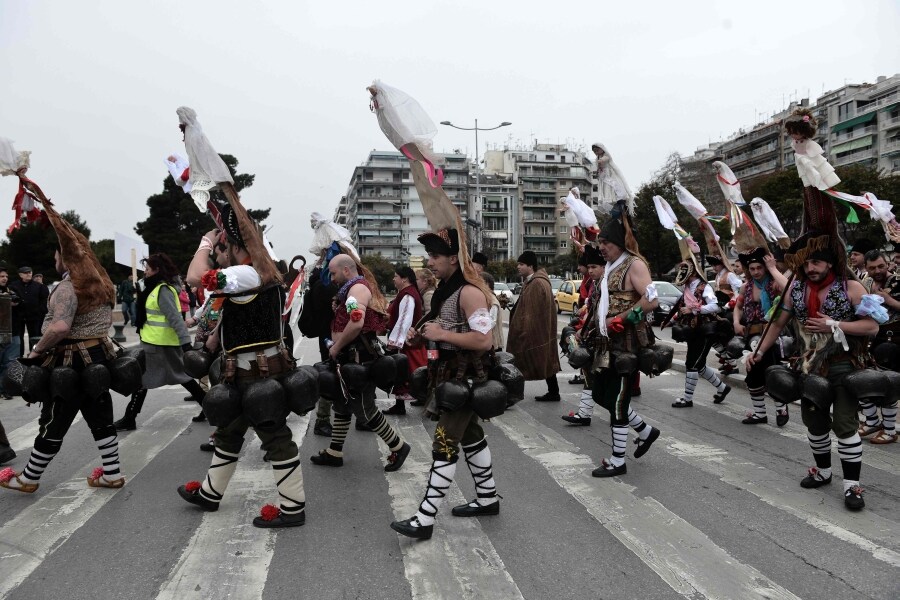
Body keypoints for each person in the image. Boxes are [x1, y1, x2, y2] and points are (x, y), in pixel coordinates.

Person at [178, 209, 306, 528]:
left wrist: (205, 243)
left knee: (275, 436)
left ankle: (293, 507)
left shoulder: (248, 275)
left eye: (227, 245)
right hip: (245, 373)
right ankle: (210, 493)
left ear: (237, 247)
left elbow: (195, 277)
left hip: (257, 374)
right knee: (229, 432)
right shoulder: (256, 272)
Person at [1, 189, 123, 494]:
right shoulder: (103, 282)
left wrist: (37, 349)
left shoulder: (70, 287)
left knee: (55, 417)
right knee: (100, 415)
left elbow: (59, 327)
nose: (55, 259)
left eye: (58, 255)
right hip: (98, 357)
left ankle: (29, 477)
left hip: (71, 361)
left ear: (65, 258)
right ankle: (112, 472)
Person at [747, 240, 876, 510]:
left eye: (816, 262)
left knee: (844, 425)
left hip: (844, 365)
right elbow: (777, 323)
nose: (810, 268)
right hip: (809, 367)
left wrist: (835, 325)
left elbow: (872, 326)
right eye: (806, 263)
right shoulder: (796, 290)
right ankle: (824, 472)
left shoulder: (851, 287)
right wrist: (758, 352)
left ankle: (852, 486)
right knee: (814, 423)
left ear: (830, 262)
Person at [390, 227, 501, 540]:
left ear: (454, 258)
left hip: (465, 376)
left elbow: (483, 339)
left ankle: (424, 519)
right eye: (430, 255)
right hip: (449, 374)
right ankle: (488, 498)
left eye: (436, 256)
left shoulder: (469, 292)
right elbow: (443, 325)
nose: (430, 262)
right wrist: (423, 332)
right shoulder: (446, 290)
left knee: (444, 442)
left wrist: (442, 335)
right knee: (471, 434)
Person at [309, 254, 411, 471]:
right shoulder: (349, 289)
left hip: (360, 359)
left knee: (365, 409)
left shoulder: (358, 289)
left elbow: (356, 324)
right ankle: (335, 452)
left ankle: (398, 446)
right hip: (349, 357)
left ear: (346, 270)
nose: (332, 278)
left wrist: (335, 347)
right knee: (342, 404)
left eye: (334, 273)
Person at [586, 216, 661, 477]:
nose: (601, 247)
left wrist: (623, 318)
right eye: (600, 242)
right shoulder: (610, 266)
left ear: (619, 242)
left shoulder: (634, 264)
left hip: (627, 343)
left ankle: (618, 460)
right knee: (599, 395)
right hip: (606, 341)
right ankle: (644, 431)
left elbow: (652, 301)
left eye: (605, 242)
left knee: (618, 400)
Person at [113, 253, 207, 430]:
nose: (145, 273)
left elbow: (175, 318)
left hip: (161, 344)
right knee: (174, 377)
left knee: (148, 379)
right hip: (155, 342)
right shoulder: (154, 288)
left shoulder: (163, 290)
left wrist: (186, 344)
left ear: (156, 270)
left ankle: (129, 418)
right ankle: (209, 408)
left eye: (147, 269)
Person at [666, 260, 732, 408]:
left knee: (692, 363)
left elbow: (715, 306)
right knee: (699, 364)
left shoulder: (704, 287)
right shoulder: (688, 287)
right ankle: (722, 388)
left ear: (693, 272)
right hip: (693, 329)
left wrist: (695, 309)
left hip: (705, 329)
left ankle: (687, 399)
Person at [732, 250, 788, 425]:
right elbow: (738, 306)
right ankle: (760, 413)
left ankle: (781, 409)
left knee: (772, 373)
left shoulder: (774, 284)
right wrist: (736, 322)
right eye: (752, 268)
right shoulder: (746, 286)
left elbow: (790, 289)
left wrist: (773, 269)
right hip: (751, 336)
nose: (756, 271)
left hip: (771, 335)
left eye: (759, 268)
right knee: (753, 373)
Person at [507, 251, 561, 402]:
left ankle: (514, 394)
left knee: (522, 361)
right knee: (545, 361)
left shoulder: (536, 283)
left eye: (521, 264)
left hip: (534, 331)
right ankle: (553, 392)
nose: (518, 267)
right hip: (540, 332)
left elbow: (532, 311)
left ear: (530, 266)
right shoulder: (532, 281)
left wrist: (524, 331)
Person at [859, 250, 899, 444]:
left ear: (888, 264)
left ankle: (890, 430)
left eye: (881, 266)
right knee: (862, 378)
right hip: (869, 339)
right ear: (866, 268)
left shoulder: (897, 281)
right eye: (873, 268)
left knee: (888, 383)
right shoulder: (865, 284)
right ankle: (872, 420)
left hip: (893, 341)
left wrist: (889, 300)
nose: (878, 270)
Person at [561, 245, 604, 425]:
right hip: (593, 336)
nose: (591, 270)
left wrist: (586, 328)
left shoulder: (607, 285)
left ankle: (641, 427)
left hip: (607, 339)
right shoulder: (595, 284)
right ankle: (584, 414)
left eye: (595, 267)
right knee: (589, 374)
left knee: (607, 384)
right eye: (590, 267)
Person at [383, 266, 428, 415]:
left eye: (396, 276)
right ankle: (400, 406)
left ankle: (430, 404)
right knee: (402, 376)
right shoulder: (406, 293)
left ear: (404, 279)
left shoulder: (408, 295)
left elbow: (404, 320)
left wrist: (395, 343)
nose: (393, 279)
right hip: (407, 343)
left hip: (407, 344)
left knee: (412, 375)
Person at [708, 255, 742, 376]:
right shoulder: (717, 276)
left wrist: (731, 302)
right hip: (720, 308)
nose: (714, 267)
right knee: (714, 335)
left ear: (722, 264)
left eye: (716, 264)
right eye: (713, 265)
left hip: (730, 309)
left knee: (724, 335)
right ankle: (727, 360)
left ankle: (733, 364)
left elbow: (738, 290)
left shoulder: (730, 275)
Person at [9, 266, 49, 356]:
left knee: (34, 337)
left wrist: (40, 312)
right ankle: (19, 357)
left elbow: (44, 300)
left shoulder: (38, 286)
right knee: (19, 338)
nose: (28, 274)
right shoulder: (13, 286)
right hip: (18, 316)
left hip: (34, 316)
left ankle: (33, 356)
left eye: (30, 272)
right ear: (20, 275)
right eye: (26, 273)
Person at [0, 268, 22, 399]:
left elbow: (21, 303)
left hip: (13, 332)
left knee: (10, 363)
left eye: (6, 276)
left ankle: (5, 389)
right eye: (1, 276)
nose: (4, 278)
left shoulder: (11, 291)